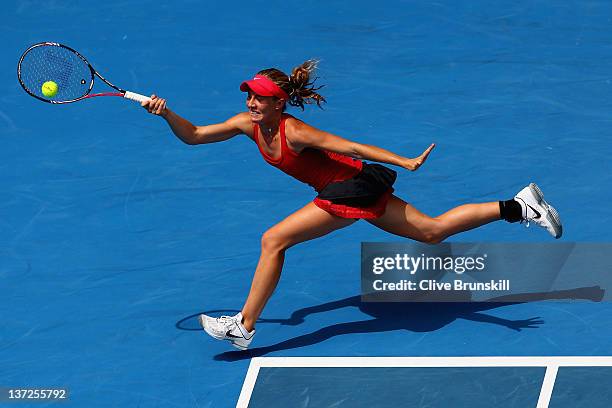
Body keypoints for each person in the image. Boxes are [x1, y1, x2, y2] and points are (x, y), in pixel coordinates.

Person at [142, 60, 562, 350]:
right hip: (353, 188)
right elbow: (195, 134)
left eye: (259, 98)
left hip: (350, 188)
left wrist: (405, 160)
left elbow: (353, 146)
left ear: (279, 103)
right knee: (432, 232)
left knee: (273, 240)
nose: (251, 103)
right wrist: (166, 113)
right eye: (249, 95)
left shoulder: (297, 131)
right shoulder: (244, 125)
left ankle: (243, 326)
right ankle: (518, 206)